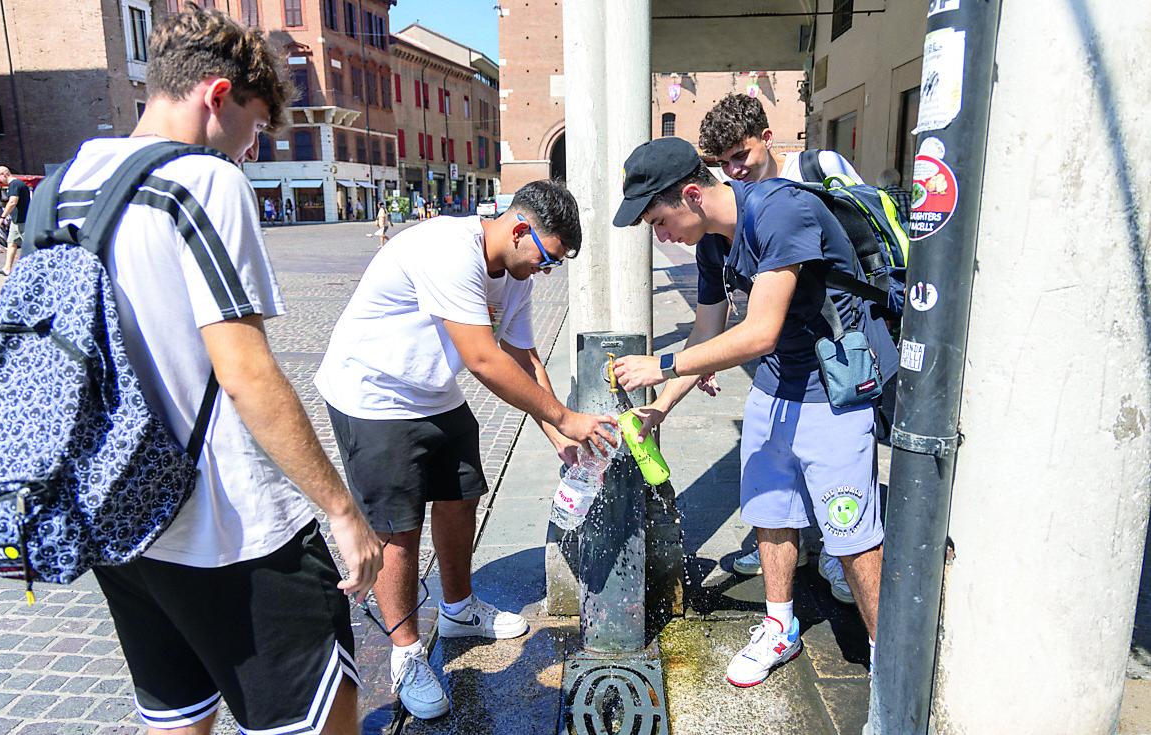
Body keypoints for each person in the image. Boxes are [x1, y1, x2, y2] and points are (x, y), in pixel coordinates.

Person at [48, 6, 382, 733]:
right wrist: (340, 508)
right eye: (256, 126)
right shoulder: (203, 180)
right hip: (227, 525)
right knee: (321, 715)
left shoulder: (63, 182)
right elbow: (245, 372)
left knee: (176, 714)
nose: (254, 147)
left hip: (118, 517)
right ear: (218, 97)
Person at [315, 179, 617, 720]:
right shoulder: (447, 250)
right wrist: (567, 417)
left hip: (433, 391)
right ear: (520, 228)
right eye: (547, 257)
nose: (546, 270)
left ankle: (457, 608)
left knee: (460, 495)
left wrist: (558, 439)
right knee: (397, 528)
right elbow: (482, 358)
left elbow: (521, 356)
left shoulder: (517, 272)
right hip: (374, 394)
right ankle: (407, 655)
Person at [611, 137, 897, 688]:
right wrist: (660, 410)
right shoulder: (713, 243)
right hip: (775, 386)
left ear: (692, 195)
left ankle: (889, 659)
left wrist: (663, 364)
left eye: (659, 221)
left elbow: (759, 332)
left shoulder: (781, 213)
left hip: (832, 385)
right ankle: (779, 624)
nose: (660, 235)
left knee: (850, 532)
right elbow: (708, 330)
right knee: (770, 506)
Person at [695, 92, 864, 602]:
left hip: (835, 352)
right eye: (722, 164)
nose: (734, 171)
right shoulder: (731, 217)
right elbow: (720, 322)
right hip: (781, 361)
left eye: (740, 157)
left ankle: (837, 553)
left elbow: (855, 246)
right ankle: (796, 549)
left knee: (845, 492)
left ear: (768, 139)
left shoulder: (813, 174)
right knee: (778, 483)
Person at [0, 166, 30, 276]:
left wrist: (2, 217)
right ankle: (7, 268)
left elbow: (13, 202)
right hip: (16, 220)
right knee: (11, 242)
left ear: (4, 174)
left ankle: (37, 266)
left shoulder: (15, 184)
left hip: (22, 220)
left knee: (29, 243)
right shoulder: (16, 184)